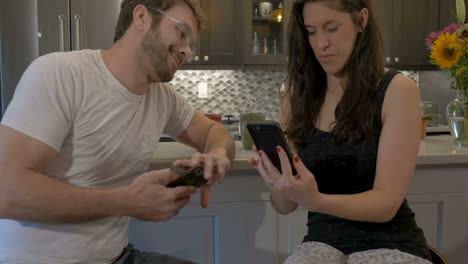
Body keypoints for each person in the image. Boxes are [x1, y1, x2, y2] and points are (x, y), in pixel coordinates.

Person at [0, 0, 235, 263]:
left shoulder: (162, 98)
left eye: (191, 44)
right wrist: (127, 202)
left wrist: (217, 154)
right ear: (142, 16)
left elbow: (215, 133)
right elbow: (6, 192)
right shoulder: (60, 74)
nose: (187, 51)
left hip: (117, 257)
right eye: (182, 33)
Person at [249, 0, 433, 263]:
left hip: (392, 242)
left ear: (361, 21)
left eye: (332, 28)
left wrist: (315, 201)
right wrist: (278, 182)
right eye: (311, 32)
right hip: (321, 241)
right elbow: (285, 206)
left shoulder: (398, 90)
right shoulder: (294, 98)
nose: (321, 43)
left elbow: (386, 204)